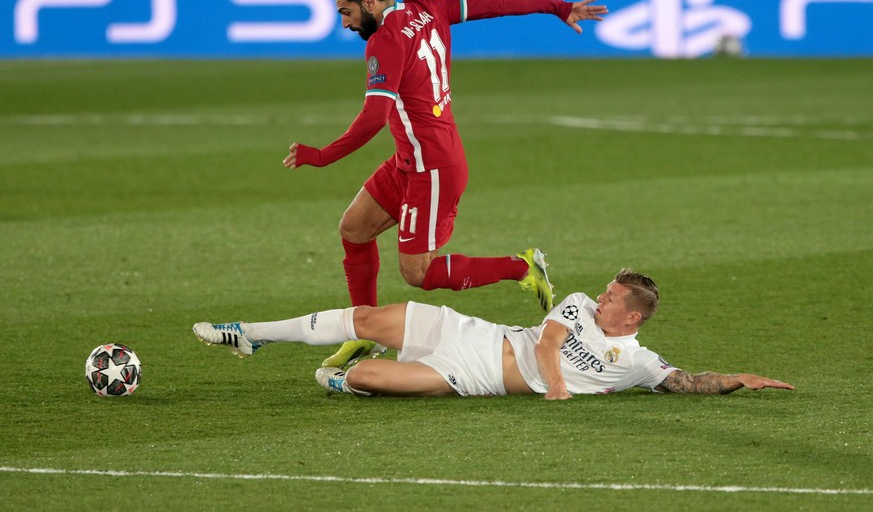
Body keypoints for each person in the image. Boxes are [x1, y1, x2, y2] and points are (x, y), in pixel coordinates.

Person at [282, 0, 608, 367]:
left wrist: (322, 155)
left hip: (432, 168)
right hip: (410, 159)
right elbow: (495, 4)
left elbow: (374, 118)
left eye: (346, 12)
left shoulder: (383, 41)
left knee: (417, 273)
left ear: (368, 0)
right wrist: (558, 7)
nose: (345, 23)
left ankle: (521, 266)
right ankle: (365, 332)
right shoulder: (429, 7)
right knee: (353, 228)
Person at [193, 269, 794, 399]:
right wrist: (556, 388)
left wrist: (735, 379)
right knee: (371, 315)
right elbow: (548, 344)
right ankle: (250, 333)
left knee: (365, 377)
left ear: (631, 316)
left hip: (471, 375)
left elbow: (681, 380)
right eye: (607, 291)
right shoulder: (579, 302)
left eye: (614, 297)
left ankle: (341, 373)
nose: (602, 296)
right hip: (477, 332)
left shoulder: (635, 360)